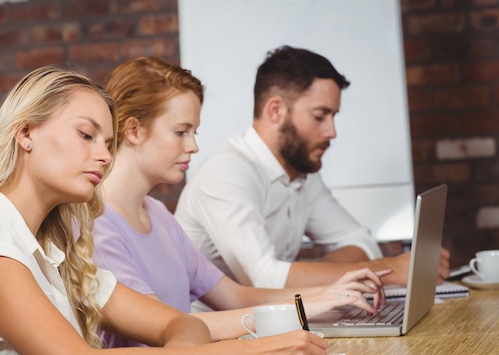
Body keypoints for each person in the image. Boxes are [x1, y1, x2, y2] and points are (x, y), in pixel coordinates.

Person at [0, 65, 329, 355]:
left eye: (108, 142)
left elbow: (178, 324)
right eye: (86, 135)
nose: (103, 154)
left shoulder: (56, 251)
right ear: (25, 133)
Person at [92, 56, 385, 348]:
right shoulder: (97, 225)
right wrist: (301, 307)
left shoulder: (158, 214)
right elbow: (172, 325)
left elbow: (235, 296)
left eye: (194, 132)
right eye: (181, 132)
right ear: (134, 131)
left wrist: (326, 295)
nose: (193, 146)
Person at [174, 45, 450, 290]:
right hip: (213, 336)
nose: (332, 132)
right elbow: (264, 279)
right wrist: (389, 272)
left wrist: (319, 278)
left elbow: (360, 241)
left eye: (334, 116)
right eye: (320, 116)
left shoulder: (301, 174)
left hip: (271, 326)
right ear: (276, 111)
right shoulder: (228, 173)